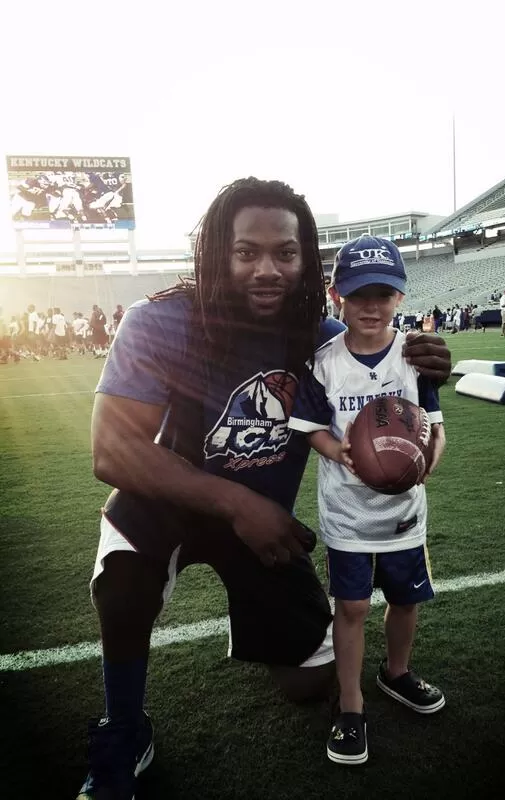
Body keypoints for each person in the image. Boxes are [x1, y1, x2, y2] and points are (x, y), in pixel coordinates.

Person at [77, 177, 452, 799]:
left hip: (263, 522)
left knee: (310, 686)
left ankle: (252, 619)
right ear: (217, 252)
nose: (267, 268)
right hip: (168, 507)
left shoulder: (326, 337)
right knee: (125, 577)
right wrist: (235, 501)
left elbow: (385, 388)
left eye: (285, 252)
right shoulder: (160, 319)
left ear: (307, 257)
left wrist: (421, 363)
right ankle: (123, 726)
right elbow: (112, 451)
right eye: (246, 251)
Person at [289, 236, 446, 766]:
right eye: (360, 295)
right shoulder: (325, 363)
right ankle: (351, 704)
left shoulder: (413, 356)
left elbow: (436, 428)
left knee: (406, 600)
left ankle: (396, 673)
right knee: (351, 607)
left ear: (400, 297)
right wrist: (342, 452)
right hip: (347, 513)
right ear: (338, 297)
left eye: (384, 294)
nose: (372, 307)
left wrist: (425, 462)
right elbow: (311, 428)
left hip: (404, 514)